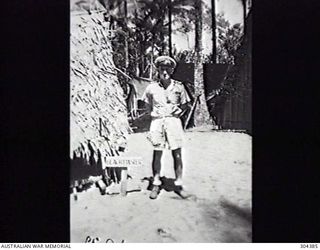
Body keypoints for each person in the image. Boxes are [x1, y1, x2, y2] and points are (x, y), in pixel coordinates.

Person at [142, 56, 191, 199]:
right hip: (157, 122)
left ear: (172, 70)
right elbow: (147, 105)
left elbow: (185, 105)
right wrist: (156, 114)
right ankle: (156, 183)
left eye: (168, 69)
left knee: (177, 153)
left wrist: (177, 114)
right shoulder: (151, 88)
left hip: (173, 122)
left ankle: (178, 184)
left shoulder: (179, 87)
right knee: (157, 152)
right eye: (162, 68)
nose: (165, 71)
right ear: (158, 69)